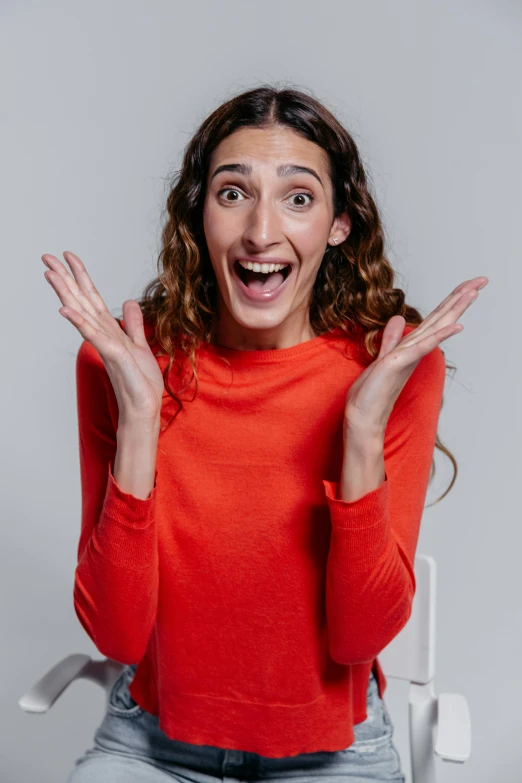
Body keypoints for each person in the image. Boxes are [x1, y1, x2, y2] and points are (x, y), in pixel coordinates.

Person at [42, 85, 488, 782]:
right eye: (231, 193)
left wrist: (362, 429)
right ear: (199, 213)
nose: (260, 231)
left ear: (340, 223)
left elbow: (360, 636)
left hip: (334, 753)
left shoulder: (391, 367)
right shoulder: (124, 358)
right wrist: (138, 420)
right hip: (152, 745)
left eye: (299, 197)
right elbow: (117, 634)